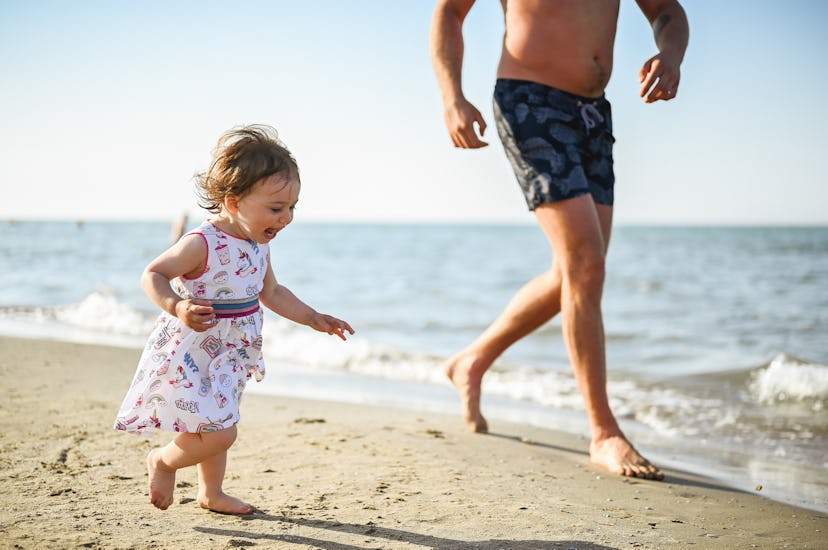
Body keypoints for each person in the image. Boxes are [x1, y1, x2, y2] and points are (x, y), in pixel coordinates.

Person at [429, 0, 689, 480]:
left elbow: (665, 10)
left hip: (593, 113)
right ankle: (603, 431)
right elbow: (450, 12)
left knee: (575, 272)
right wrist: (452, 96)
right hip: (529, 101)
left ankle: (471, 362)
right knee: (586, 266)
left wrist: (670, 55)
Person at [113, 124, 354, 514]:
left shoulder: (258, 243)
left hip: (232, 352)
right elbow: (152, 274)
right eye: (276, 208)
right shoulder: (202, 242)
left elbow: (271, 292)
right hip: (192, 348)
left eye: (292, 207)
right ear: (234, 201)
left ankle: (211, 492)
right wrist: (177, 307)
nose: (286, 218)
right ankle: (162, 459)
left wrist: (313, 317)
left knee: (215, 421)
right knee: (220, 432)